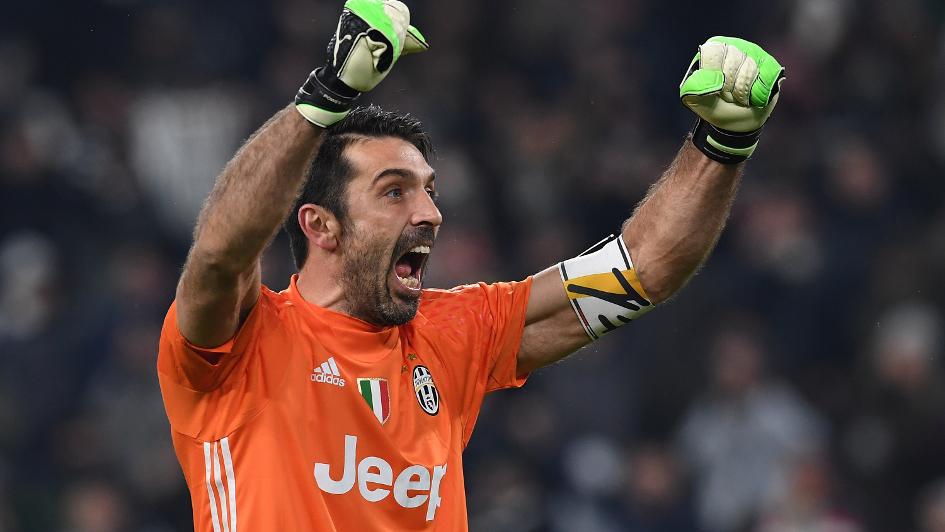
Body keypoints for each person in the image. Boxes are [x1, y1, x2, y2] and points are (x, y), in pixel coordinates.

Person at [156, 1, 785, 530]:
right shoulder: (243, 343)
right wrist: (327, 96)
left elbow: (639, 272)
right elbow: (219, 253)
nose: (431, 213)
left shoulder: (456, 334)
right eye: (395, 191)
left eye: (430, 191)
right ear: (321, 226)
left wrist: (723, 144)